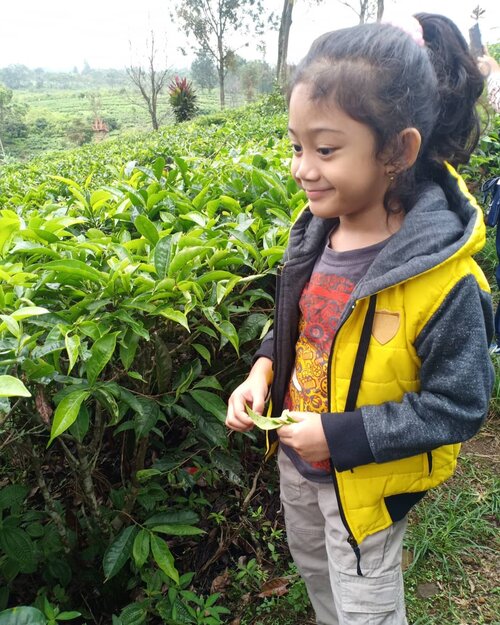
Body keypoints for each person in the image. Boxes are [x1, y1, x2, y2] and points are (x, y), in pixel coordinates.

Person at [226, 13, 494, 625]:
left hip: (365, 485)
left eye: (325, 149)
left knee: (366, 606)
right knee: (318, 575)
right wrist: (263, 369)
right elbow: (304, 323)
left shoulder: (442, 281)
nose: (301, 168)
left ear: (398, 150)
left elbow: (461, 404)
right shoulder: (318, 233)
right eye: (297, 146)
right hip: (300, 466)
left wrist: (339, 437)